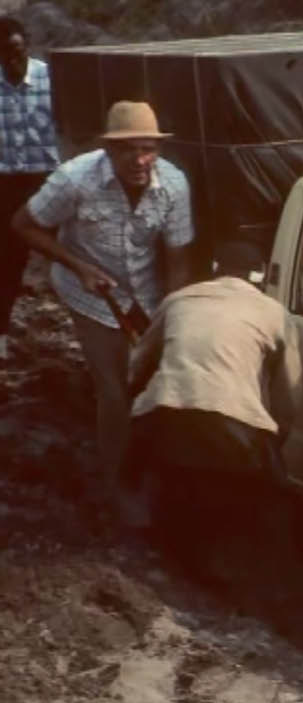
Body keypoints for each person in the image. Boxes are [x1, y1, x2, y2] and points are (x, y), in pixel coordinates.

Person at [12, 100, 194, 507]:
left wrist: (171, 319)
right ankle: (116, 486)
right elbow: (22, 224)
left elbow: (178, 261)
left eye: (148, 148)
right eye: (127, 149)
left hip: (144, 291)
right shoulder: (74, 179)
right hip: (90, 291)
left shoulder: (174, 185)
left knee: (153, 376)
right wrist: (78, 267)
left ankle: (160, 471)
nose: (139, 159)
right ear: (108, 150)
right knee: (113, 387)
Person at [126, 241, 302, 588]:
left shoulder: (178, 300)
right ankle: (271, 588)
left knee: (168, 492)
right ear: (261, 278)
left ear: (216, 269)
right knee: (268, 505)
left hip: (164, 416)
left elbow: (134, 369)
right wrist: (276, 441)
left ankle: (167, 562)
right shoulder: (276, 313)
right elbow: (290, 394)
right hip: (235, 426)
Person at [0, 16, 59, 360]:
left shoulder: (53, 80)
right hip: (6, 182)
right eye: (4, 54)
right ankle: (2, 336)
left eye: (18, 51)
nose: (12, 61)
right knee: (6, 260)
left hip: (48, 178)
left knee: (74, 250)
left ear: (28, 46)